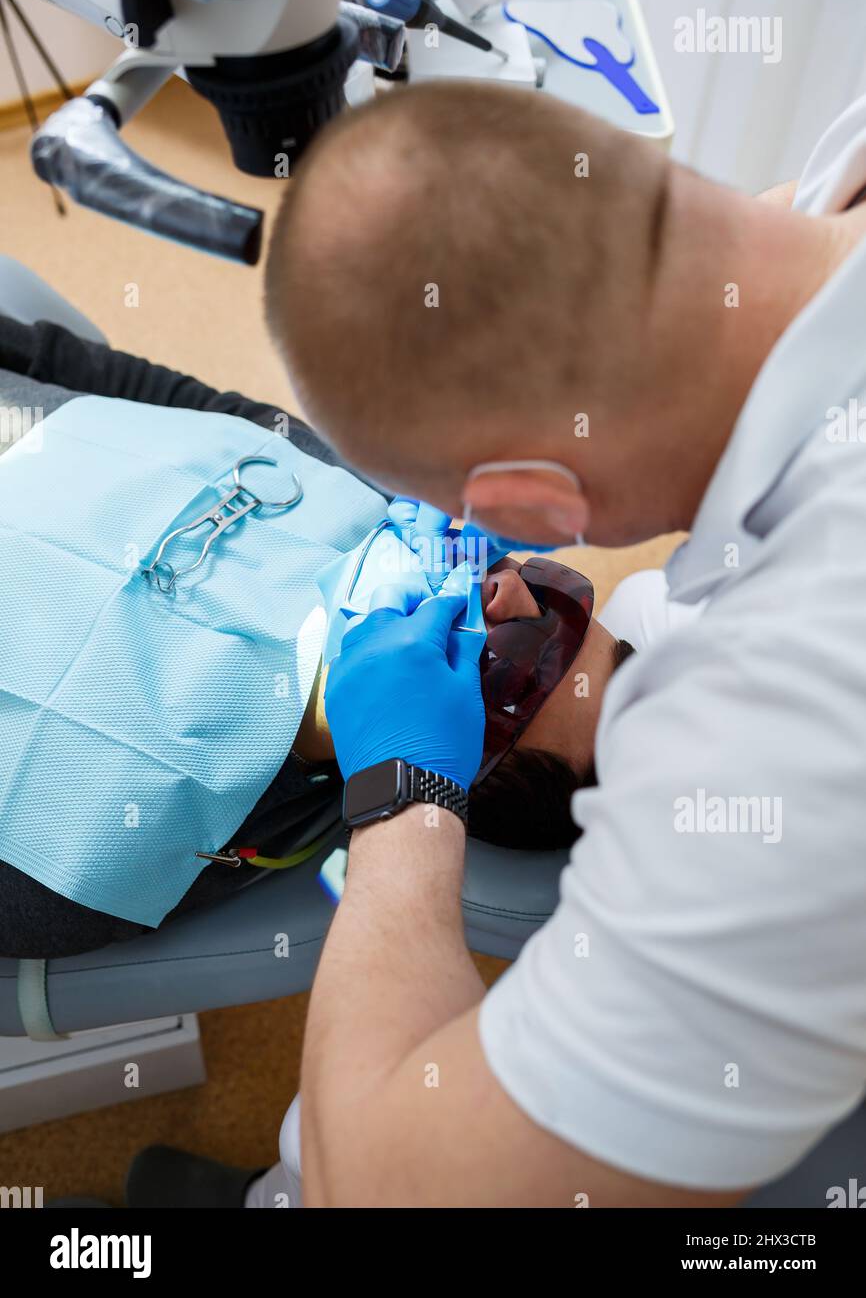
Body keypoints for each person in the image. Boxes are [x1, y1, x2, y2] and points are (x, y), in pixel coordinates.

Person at [238, 82, 866, 1206]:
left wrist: (402, 797)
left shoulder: (785, 710)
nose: (497, 588)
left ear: (527, 501)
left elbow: (378, 1184)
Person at [0, 315, 634, 957]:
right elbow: (176, 402)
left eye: (513, 671)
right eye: (557, 612)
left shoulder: (104, 855)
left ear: (428, 759)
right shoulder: (377, 497)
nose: (513, 591)